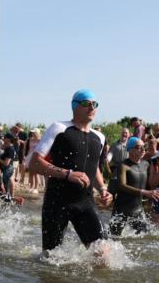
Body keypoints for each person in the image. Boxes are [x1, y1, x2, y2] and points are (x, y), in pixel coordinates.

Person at [28, 89, 113, 254]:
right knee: (50, 258)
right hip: (57, 201)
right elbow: (34, 163)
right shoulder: (59, 128)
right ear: (74, 106)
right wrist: (67, 174)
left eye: (94, 104)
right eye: (86, 104)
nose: (92, 107)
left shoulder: (99, 137)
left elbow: (93, 167)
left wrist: (103, 189)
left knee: (103, 253)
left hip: (85, 202)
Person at [109, 137, 158, 236]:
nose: (143, 149)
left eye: (144, 147)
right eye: (139, 147)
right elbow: (122, 185)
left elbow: (149, 183)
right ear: (130, 149)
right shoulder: (123, 165)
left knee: (146, 236)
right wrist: (143, 192)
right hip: (121, 210)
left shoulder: (146, 164)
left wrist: (152, 195)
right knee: (113, 237)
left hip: (137, 210)